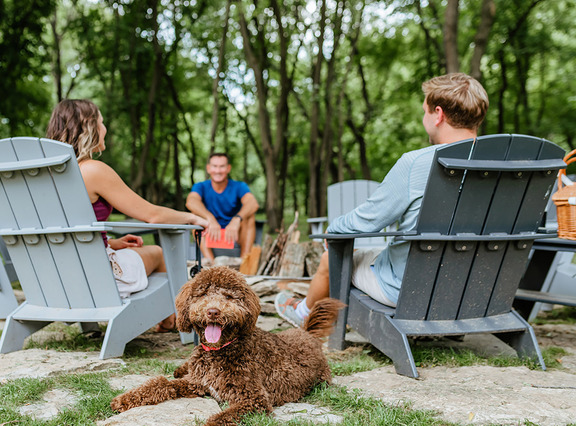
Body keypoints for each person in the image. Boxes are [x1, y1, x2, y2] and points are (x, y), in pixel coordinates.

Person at [276, 73, 489, 327]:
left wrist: (331, 233)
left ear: (438, 114)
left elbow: (366, 221)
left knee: (330, 257)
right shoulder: (506, 165)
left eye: (425, 111)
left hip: (411, 289)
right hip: (479, 288)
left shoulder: (417, 164)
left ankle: (302, 315)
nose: (424, 118)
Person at [46, 99, 208, 332]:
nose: (105, 129)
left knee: (133, 252)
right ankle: (169, 322)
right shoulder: (92, 170)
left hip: (54, 279)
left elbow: (58, 232)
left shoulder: (43, 177)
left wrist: (111, 243)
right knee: (159, 253)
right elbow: (151, 215)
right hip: (96, 279)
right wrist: (192, 218)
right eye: (101, 122)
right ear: (89, 127)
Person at [186, 153, 260, 261]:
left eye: (222, 166)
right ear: (208, 168)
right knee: (195, 215)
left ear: (228, 168)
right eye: (215, 166)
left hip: (234, 233)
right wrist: (210, 218)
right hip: (209, 232)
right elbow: (191, 202)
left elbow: (253, 203)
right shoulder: (200, 186)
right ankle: (211, 263)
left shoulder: (239, 186)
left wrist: (237, 219)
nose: (218, 170)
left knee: (249, 217)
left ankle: (244, 262)